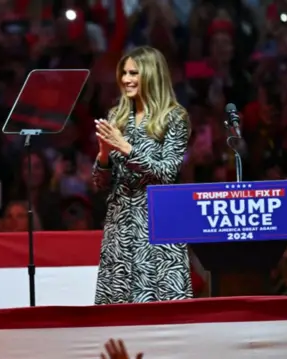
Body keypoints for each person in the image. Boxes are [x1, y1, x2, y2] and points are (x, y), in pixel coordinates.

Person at [92, 46, 192, 304]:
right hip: (121, 226)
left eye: (133, 73)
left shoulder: (174, 118)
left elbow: (167, 173)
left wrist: (124, 147)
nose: (126, 79)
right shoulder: (117, 117)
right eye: (124, 73)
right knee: (118, 310)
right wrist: (103, 154)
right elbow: (100, 183)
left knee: (159, 310)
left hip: (158, 226)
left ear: (151, 74)